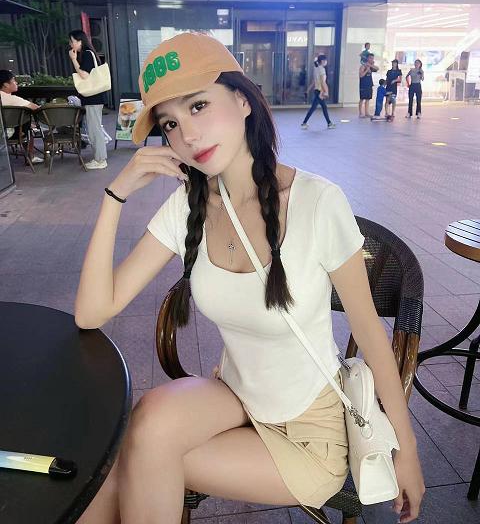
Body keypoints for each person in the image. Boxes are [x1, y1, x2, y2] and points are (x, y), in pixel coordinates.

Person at [74, 33, 424, 524]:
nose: (187, 135)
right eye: (170, 123)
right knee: (145, 424)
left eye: (199, 106)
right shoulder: (189, 205)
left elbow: (369, 334)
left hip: (309, 433)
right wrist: (115, 195)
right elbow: (92, 312)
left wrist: (406, 450)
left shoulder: (317, 203)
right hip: (233, 397)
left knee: (135, 462)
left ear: (242, 100)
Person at [68, 29, 108, 169]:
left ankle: (100, 160)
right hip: (94, 99)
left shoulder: (86, 54)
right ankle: (99, 159)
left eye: (72, 41)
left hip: (93, 98)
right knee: (94, 129)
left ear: (80, 41)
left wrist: (74, 60)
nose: (70, 44)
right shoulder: (88, 53)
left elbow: (84, 75)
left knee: (94, 130)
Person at [0, 69, 43, 163]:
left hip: (3, 132)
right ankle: (30, 157)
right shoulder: (13, 99)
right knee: (27, 124)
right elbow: (36, 108)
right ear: (6, 84)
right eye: (13, 80)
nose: (16, 83)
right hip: (8, 134)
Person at [301, 55, 335, 130]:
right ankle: (329, 123)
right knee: (320, 108)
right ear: (322, 61)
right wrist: (325, 92)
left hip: (317, 91)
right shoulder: (322, 69)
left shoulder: (316, 68)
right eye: (325, 60)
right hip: (320, 91)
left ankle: (305, 123)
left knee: (318, 107)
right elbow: (323, 82)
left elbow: (314, 81)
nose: (326, 62)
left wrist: (308, 90)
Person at [359, 53, 378, 118]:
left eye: (372, 58)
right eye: (370, 58)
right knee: (362, 99)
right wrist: (366, 70)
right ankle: (360, 113)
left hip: (369, 84)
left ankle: (367, 113)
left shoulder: (371, 66)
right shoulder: (363, 66)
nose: (371, 59)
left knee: (368, 99)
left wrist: (370, 65)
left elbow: (377, 68)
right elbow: (361, 75)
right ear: (367, 58)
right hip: (363, 85)